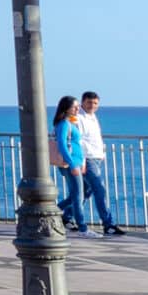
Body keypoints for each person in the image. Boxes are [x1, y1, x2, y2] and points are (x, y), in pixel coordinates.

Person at [78, 91, 125, 237]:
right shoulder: (79, 118)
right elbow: (78, 140)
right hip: (88, 159)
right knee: (99, 189)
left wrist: (102, 153)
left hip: (96, 158)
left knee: (85, 192)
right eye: (89, 102)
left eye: (95, 103)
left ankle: (64, 214)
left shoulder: (92, 117)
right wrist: (83, 160)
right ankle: (108, 224)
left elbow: (94, 138)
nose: (92, 105)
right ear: (83, 102)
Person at [51, 94, 88, 235]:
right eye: (75, 106)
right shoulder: (64, 124)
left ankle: (51, 212)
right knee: (78, 196)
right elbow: (62, 145)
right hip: (71, 164)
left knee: (76, 195)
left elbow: (76, 144)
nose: (78, 108)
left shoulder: (69, 123)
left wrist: (82, 162)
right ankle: (83, 228)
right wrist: (73, 165)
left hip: (77, 163)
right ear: (66, 108)